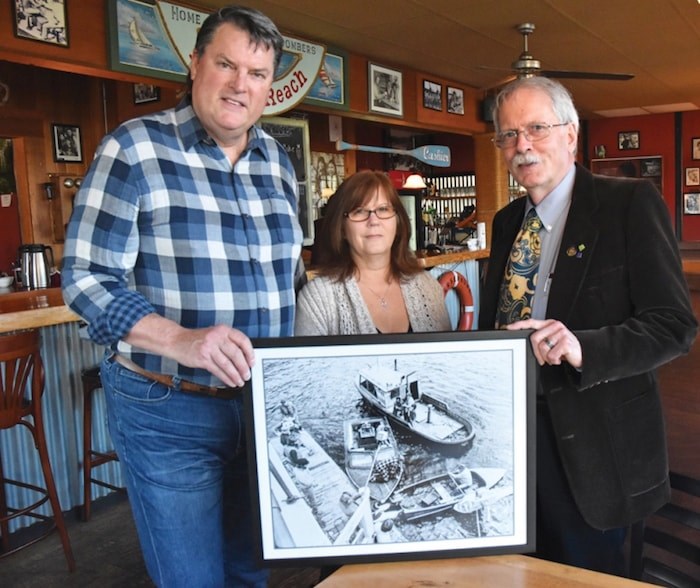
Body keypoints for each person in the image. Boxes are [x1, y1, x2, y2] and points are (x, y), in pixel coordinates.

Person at [61, 6, 303, 587]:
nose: (240, 84)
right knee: (192, 579)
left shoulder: (278, 164)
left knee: (253, 571)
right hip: (169, 406)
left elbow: (289, 281)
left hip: (261, 406)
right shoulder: (134, 150)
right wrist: (182, 340)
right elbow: (85, 277)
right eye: (225, 64)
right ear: (195, 64)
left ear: (271, 87)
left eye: (257, 73)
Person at [479, 76, 697, 576]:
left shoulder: (629, 204)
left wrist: (585, 347)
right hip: (513, 441)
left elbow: (674, 326)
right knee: (520, 572)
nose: (522, 145)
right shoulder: (507, 221)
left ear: (571, 134)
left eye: (537, 128)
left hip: (597, 446)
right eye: (508, 135)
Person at [295, 170, 450, 335]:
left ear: (397, 222)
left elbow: (449, 359)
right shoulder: (317, 299)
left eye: (383, 209)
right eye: (359, 211)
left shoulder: (429, 288)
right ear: (342, 228)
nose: (374, 221)